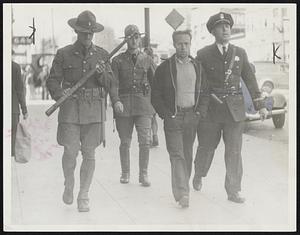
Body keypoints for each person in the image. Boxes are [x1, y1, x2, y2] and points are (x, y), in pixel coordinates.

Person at [46, 10, 123, 212]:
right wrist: (60, 93)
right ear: (76, 31)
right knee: (70, 152)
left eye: (90, 34)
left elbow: (111, 84)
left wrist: (100, 76)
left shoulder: (102, 56)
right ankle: (69, 182)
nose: (87, 37)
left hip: (93, 112)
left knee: (89, 154)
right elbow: (52, 80)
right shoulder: (63, 53)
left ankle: (84, 193)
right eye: (83, 33)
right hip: (70, 110)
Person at [193, 12, 268, 203]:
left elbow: (250, 80)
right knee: (206, 148)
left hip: (234, 111)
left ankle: (233, 190)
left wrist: (260, 106)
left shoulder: (240, 53)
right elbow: (198, 83)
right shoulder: (203, 54)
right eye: (221, 26)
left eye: (228, 25)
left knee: (234, 152)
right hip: (211, 111)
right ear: (213, 31)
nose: (226, 29)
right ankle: (199, 173)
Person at [151, 30, 209, 208]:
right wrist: (166, 114)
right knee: (176, 155)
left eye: (186, 43)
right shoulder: (164, 68)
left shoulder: (197, 66)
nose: (183, 47)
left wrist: (199, 113)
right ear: (174, 45)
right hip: (173, 118)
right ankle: (182, 192)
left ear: (190, 44)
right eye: (179, 44)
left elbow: (205, 92)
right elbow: (156, 95)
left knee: (187, 154)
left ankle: (184, 189)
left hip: (192, 116)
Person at [111, 25, 156, 186]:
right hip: (124, 105)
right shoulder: (117, 61)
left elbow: (155, 82)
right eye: (130, 37)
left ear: (140, 39)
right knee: (125, 142)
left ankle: (143, 174)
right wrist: (116, 101)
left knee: (145, 141)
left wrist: (155, 106)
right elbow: (113, 84)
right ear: (126, 40)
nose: (134, 40)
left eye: (137, 37)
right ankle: (125, 173)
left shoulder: (147, 59)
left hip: (143, 105)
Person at [12, 53, 29, 158]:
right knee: (13, 137)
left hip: (11, 109)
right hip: (12, 109)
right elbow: (19, 90)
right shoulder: (15, 67)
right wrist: (24, 110)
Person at [144, 47, 159, 147]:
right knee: (153, 117)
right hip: (155, 94)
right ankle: (155, 137)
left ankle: (148, 139)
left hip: (147, 93)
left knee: (148, 117)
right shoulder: (155, 65)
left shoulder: (145, 64)